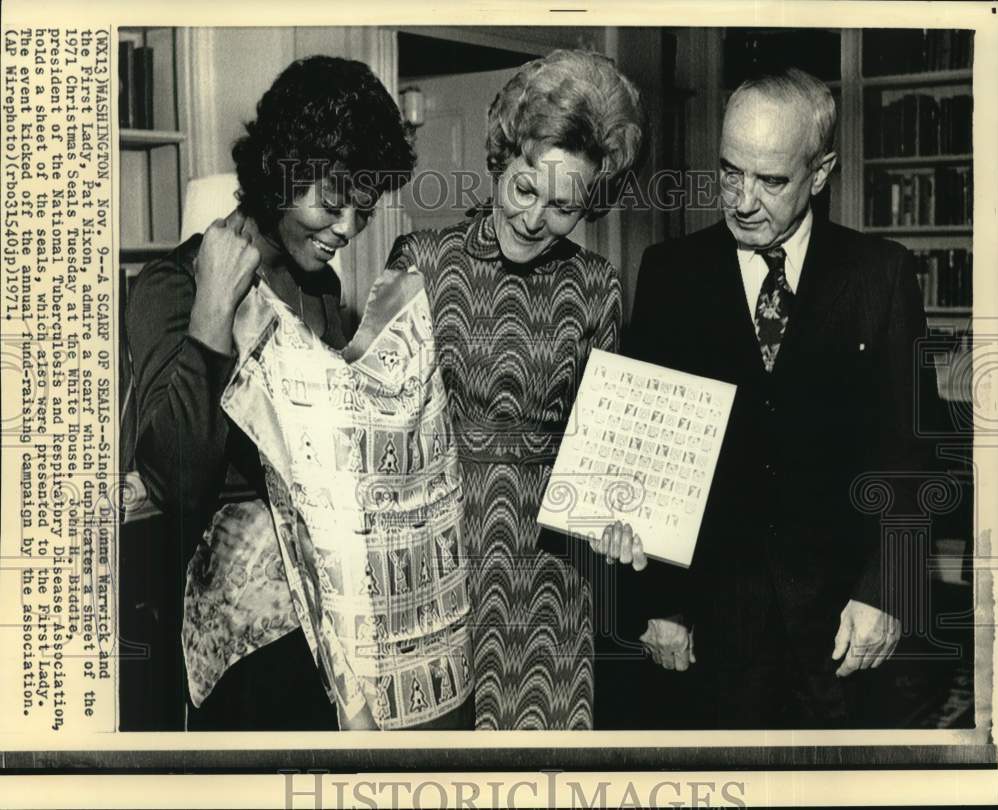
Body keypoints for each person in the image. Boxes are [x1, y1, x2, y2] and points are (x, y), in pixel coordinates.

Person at [127, 55, 472, 730]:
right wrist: (211, 319)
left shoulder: (320, 291)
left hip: (337, 625)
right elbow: (173, 482)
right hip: (250, 645)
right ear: (277, 173)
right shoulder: (173, 285)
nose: (345, 229)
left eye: (363, 211)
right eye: (332, 202)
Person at [604, 67, 938, 729]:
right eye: (730, 172)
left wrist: (888, 592)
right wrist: (660, 603)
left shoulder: (881, 275)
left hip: (843, 628)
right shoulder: (670, 274)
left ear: (821, 172)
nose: (743, 200)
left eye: (771, 179)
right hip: (710, 631)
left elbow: (912, 452)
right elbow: (645, 458)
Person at [385, 49, 647, 729]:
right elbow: (375, 432)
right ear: (503, 159)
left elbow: (606, 449)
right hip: (429, 560)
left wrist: (622, 512)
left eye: (564, 206)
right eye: (526, 189)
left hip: (549, 576)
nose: (534, 219)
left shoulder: (598, 285)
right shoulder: (421, 260)